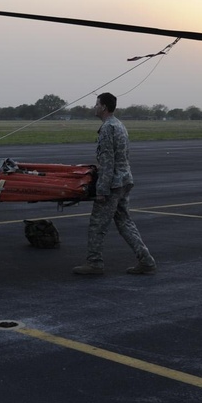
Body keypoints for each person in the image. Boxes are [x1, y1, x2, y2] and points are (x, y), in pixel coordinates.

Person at [73, 92, 157, 276]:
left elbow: (108, 162)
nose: (94, 107)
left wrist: (102, 190)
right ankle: (147, 261)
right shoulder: (119, 125)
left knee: (97, 224)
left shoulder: (107, 128)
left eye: (97, 104)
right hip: (125, 179)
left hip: (112, 183)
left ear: (103, 107)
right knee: (124, 221)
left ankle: (94, 263)